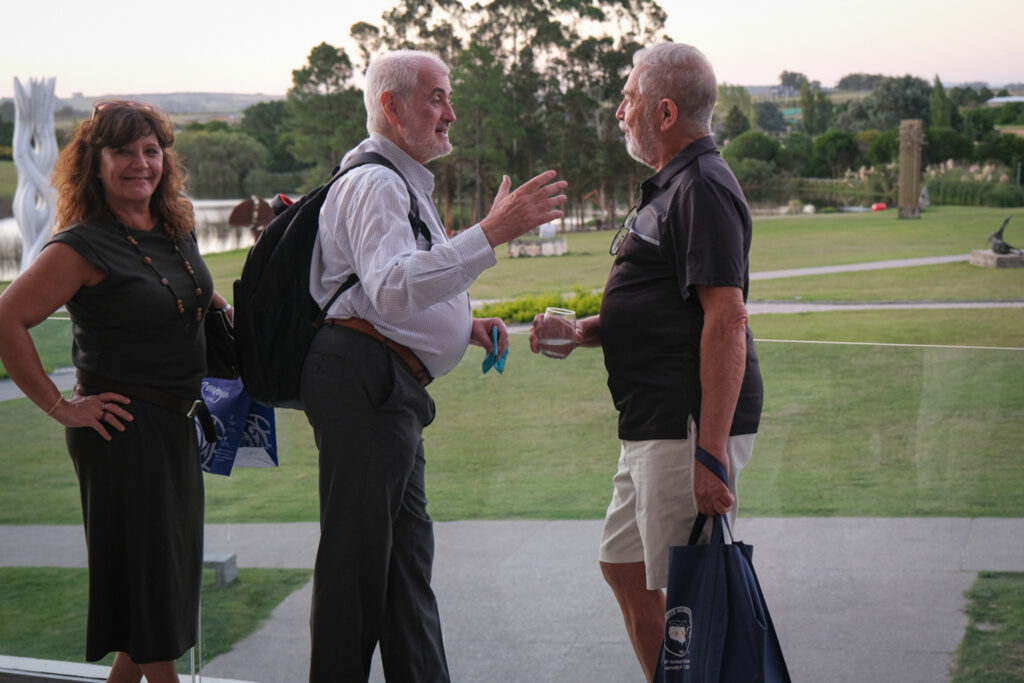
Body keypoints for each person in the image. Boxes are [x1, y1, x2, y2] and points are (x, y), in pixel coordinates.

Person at [301, 49, 567, 682]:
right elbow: (392, 287)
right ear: (391, 107)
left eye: (448, 97)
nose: (451, 112)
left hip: (384, 388)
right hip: (365, 388)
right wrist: (491, 232)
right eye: (437, 98)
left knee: (403, 573)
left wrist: (462, 328)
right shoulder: (374, 184)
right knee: (358, 574)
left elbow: (382, 291)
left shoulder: (400, 182)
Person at [529, 42, 764, 681]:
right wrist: (582, 332)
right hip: (650, 423)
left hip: (685, 427)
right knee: (624, 567)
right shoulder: (672, 186)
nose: (618, 113)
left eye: (627, 99)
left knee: (693, 598)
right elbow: (665, 310)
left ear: (663, 112)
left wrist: (710, 457)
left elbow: (726, 319)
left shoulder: (705, 187)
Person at [0, 100, 231, 683]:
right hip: (122, 436)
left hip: (175, 431)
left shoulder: (175, 230)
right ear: (94, 163)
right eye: (123, 151)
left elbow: (201, 302)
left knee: (157, 602)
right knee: (153, 606)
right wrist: (61, 407)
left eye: (150, 150)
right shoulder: (81, 246)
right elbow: (7, 319)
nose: (140, 163)